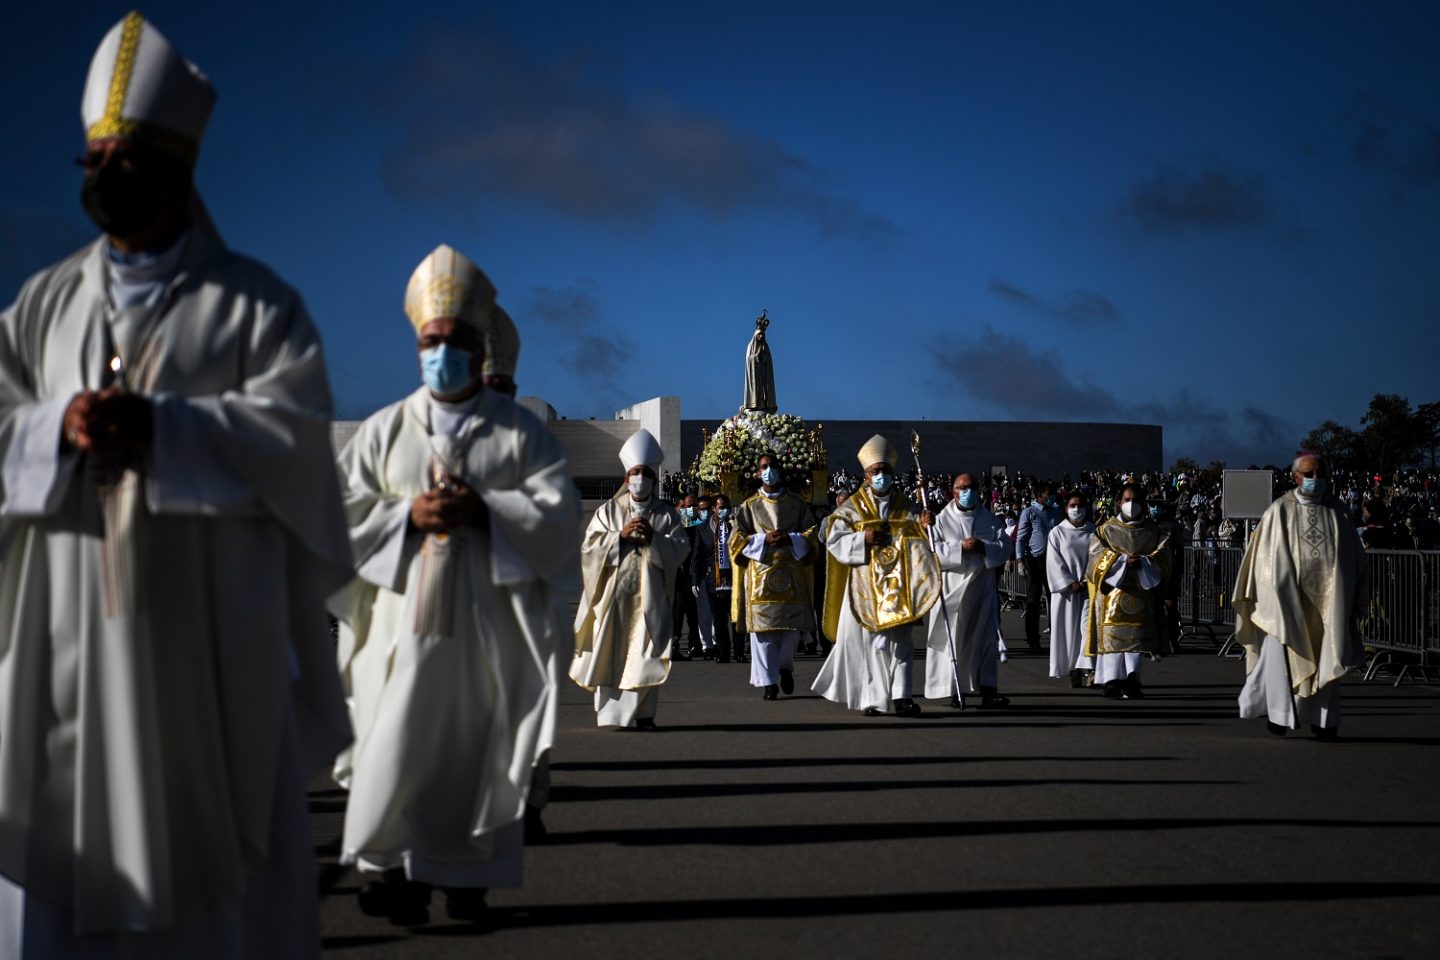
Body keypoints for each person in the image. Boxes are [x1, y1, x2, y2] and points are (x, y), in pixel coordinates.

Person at [0, 13, 353, 957]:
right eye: (94, 158)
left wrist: (167, 430)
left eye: (127, 158)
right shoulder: (44, 304)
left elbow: (296, 448)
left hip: (202, 654)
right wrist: (54, 430)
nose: (105, 175)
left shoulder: (256, 305)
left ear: (180, 169)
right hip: (64, 642)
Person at [329, 245, 580, 926]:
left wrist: (489, 514)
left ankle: (467, 878)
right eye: (432, 341)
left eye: (458, 340)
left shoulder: (524, 435)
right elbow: (335, 518)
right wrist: (404, 516)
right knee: (393, 739)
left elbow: (559, 519)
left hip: (485, 626)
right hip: (399, 626)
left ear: (480, 345)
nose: (444, 350)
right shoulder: (384, 432)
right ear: (419, 346)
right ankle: (389, 871)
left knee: (475, 746)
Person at [1234, 453, 1368, 740]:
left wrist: (1355, 594)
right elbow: (1265, 563)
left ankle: (1325, 722)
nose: (1316, 479)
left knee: (1328, 654)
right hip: (1286, 606)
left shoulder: (1338, 512)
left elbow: (1355, 559)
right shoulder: (1279, 511)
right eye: (1309, 473)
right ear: (1295, 477)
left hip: (1330, 603)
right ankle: (1280, 716)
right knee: (1282, 662)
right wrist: (1279, 593)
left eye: (1321, 472)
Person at [571, 429, 690, 729]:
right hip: (614, 601)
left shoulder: (666, 515)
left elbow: (680, 549)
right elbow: (588, 549)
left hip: (651, 599)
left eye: (646, 473)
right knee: (612, 650)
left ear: (653, 478)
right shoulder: (608, 511)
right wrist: (618, 538)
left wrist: (655, 540)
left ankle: (645, 715)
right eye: (635, 472)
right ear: (626, 479)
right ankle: (612, 714)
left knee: (646, 652)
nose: (640, 478)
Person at [814, 435, 939, 717]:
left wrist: (925, 525)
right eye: (875, 471)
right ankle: (873, 699)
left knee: (902, 641)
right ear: (865, 475)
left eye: (885, 470)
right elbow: (834, 537)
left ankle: (903, 696)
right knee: (872, 643)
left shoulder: (906, 506)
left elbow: (923, 541)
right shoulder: (853, 508)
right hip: (866, 587)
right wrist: (862, 538)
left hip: (898, 585)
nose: (880, 475)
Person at [730, 453, 818, 699]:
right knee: (763, 632)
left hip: (791, 575)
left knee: (790, 630)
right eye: (764, 467)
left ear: (781, 470)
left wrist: (791, 538)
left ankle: (784, 666)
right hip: (760, 577)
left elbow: (812, 533)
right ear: (758, 473)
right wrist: (762, 539)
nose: (769, 470)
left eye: (772, 466)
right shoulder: (749, 506)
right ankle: (768, 682)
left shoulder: (797, 504)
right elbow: (735, 539)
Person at [922, 472, 1010, 708]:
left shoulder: (989, 519)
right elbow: (932, 552)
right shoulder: (940, 520)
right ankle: (954, 689)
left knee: (986, 639)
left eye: (970, 487)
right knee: (954, 640)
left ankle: (989, 690)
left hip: (982, 586)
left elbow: (1004, 547)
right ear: (953, 491)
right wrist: (960, 548)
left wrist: (984, 547)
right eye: (962, 487)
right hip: (954, 588)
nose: (967, 492)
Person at [1084, 483, 1171, 699]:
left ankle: (1133, 678)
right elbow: (1095, 556)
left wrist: (1143, 562)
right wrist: (1121, 560)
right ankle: (1112, 681)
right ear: (1118, 503)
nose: (1131, 504)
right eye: (1126, 500)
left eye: (1135, 500)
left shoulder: (1153, 532)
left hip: (1142, 593)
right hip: (1113, 594)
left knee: (1136, 639)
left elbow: (1164, 557)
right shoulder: (1106, 530)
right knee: (1114, 638)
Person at [1047, 493, 1095, 686]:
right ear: (1066, 508)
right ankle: (1073, 669)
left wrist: (1087, 579)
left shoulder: (1095, 531)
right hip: (1065, 591)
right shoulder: (1057, 533)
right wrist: (1069, 581)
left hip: (1088, 588)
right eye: (1073, 505)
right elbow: (1053, 561)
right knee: (1068, 632)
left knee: (1087, 629)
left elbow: (1099, 558)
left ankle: (1089, 669)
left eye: (1080, 504)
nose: (1077, 509)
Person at [692, 493, 739, 663]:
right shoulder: (703, 529)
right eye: (721, 508)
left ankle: (739, 651)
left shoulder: (737, 526)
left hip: (734, 579)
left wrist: (735, 528)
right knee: (718, 620)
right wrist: (695, 580)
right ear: (714, 509)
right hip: (714, 580)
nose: (724, 511)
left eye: (727, 507)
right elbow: (697, 556)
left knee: (735, 617)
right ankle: (723, 652)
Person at [1016, 482, 1060, 649]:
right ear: (1039, 495)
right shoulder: (1029, 513)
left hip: (1054, 561)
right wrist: (1020, 560)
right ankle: (1033, 637)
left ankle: (1057, 634)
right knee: (1033, 599)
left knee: (1055, 597)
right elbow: (1021, 538)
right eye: (1049, 494)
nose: (1051, 497)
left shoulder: (1056, 513)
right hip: (1035, 560)